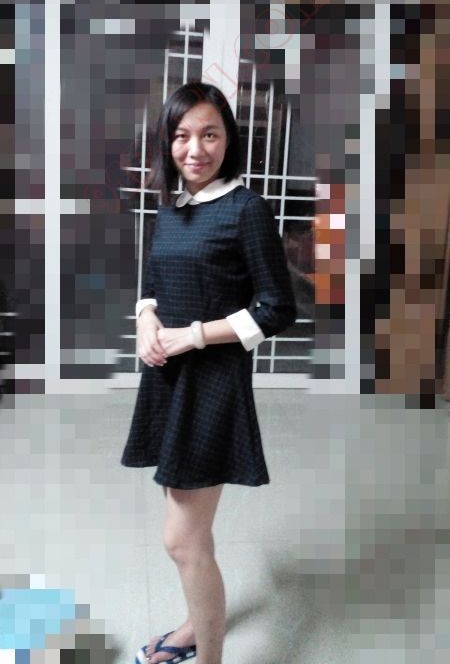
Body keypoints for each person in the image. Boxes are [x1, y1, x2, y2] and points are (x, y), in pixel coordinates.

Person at [121, 82, 297, 664]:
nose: (195, 149)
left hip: (213, 385)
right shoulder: (173, 210)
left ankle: (209, 656)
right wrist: (146, 320)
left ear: (228, 140)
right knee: (193, 531)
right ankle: (194, 628)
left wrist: (195, 334)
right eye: (181, 136)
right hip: (168, 379)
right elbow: (154, 283)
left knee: (180, 539)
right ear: (167, 143)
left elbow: (277, 308)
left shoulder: (246, 209)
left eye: (209, 134)